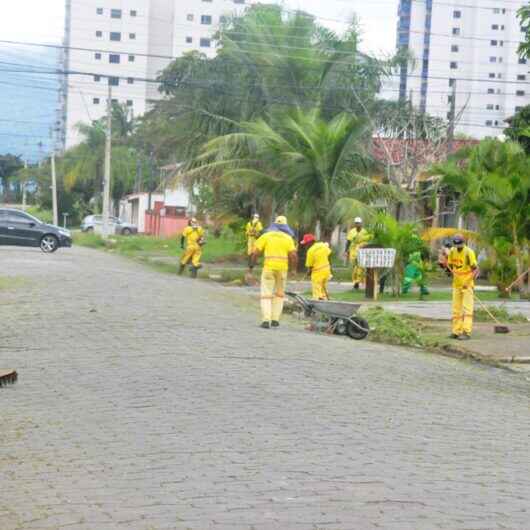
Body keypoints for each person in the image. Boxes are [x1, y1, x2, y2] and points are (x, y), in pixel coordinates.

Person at [252, 216, 298, 329]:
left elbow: (255, 252)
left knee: (266, 295)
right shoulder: (288, 239)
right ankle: (275, 319)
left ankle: (266, 320)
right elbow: (293, 256)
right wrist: (293, 269)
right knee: (279, 295)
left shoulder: (266, 236)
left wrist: (252, 266)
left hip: (268, 269)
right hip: (282, 270)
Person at [446, 234, 479, 340]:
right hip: (456, 285)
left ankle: (466, 332)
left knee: (467, 309)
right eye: (456, 245)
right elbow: (450, 266)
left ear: (463, 243)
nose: (458, 246)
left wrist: (468, 281)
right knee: (456, 309)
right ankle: (456, 331)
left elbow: (476, 270)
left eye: (459, 244)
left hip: (467, 285)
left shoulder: (469, 252)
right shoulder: (452, 251)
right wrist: (446, 267)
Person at [300, 233, 332, 300]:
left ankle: (317, 301)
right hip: (327, 270)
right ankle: (324, 301)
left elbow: (310, 266)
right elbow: (328, 255)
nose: (305, 245)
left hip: (317, 272)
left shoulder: (310, 251)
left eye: (306, 243)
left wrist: (309, 272)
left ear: (310, 242)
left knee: (316, 289)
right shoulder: (322, 245)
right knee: (322, 287)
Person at [345, 217, 371, 290]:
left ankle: (358, 282)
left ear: (361, 223)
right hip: (353, 251)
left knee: (361, 266)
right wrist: (346, 251)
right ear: (355, 224)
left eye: (358, 223)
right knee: (355, 267)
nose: (357, 224)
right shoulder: (352, 231)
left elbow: (368, 241)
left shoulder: (365, 232)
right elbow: (348, 242)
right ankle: (356, 282)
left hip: (362, 250)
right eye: (356, 223)